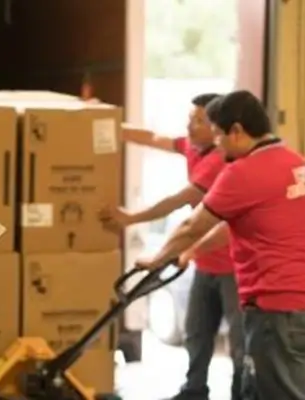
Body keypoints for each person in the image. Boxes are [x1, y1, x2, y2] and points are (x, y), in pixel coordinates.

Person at [135, 90, 305, 400]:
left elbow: (192, 224)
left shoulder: (243, 172)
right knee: (262, 390)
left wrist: (158, 257)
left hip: (278, 307)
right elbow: (230, 227)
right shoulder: (296, 163)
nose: (216, 144)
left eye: (218, 135)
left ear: (237, 131)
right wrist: (191, 252)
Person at [99, 93, 243, 400]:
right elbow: (152, 137)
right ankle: (194, 391)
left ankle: (241, 394)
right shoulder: (192, 147)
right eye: (190, 119)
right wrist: (111, 125)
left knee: (240, 339)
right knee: (196, 331)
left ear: (218, 128)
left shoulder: (218, 160)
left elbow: (182, 199)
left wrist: (132, 217)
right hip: (204, 262)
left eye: (200, 121)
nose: (191, 126)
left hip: (233, 266)